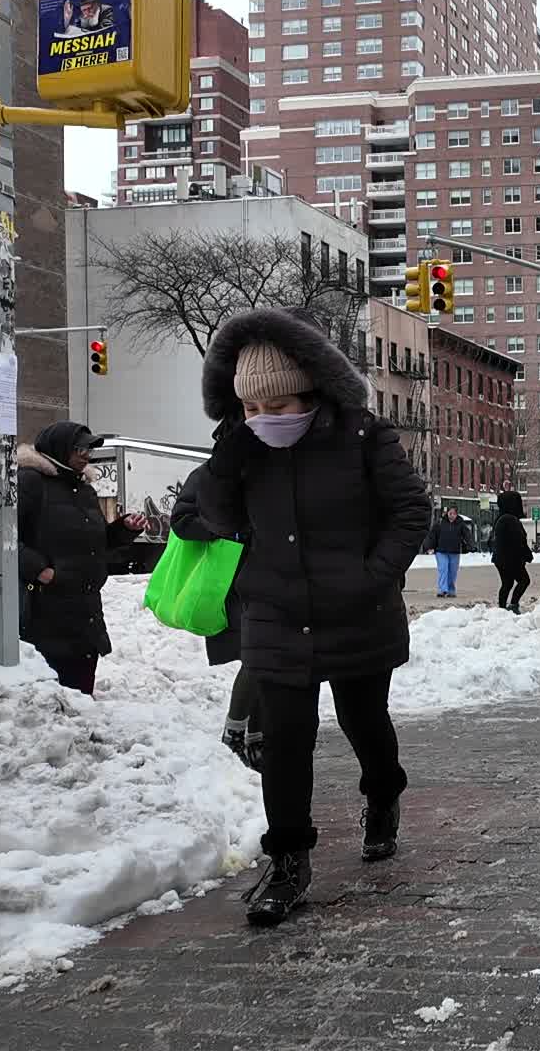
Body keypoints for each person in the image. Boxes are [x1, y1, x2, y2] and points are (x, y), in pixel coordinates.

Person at [195, 308, 433, 927]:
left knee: (364, 721)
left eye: (277, 406)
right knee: (285, 742)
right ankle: (289, 860)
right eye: (251, 408)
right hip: (275, 615)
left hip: (357, 612)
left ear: (312, 393)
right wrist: (230, 455)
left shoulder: (363, 436)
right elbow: (213, 519)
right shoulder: (238, 445)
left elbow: (410, 511)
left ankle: (383, 796)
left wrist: (372, 576)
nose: (263, 419)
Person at [17, 421, 147, 695]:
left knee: (82, 687)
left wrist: (124, 529)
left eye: (88, 449)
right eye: (79, 449)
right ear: (59, 448)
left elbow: (97, 543)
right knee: (51, 693)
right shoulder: (31, 481)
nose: (86, 455)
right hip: (46, 608)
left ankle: (80, 734)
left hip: (85, 608)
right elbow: (5, 539)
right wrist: (40, 571)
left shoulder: (85, 490)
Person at [170, 465, 263, 770]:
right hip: (231, 581)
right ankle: (236, 736)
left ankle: (255, 736)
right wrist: (227, 529)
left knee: (269, 658)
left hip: (274, 578)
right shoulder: (211, 472)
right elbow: (182, 521)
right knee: (256, 657)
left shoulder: (278, 466)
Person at [491, 490, 534, 613]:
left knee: (507, 583)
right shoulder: (510, 519)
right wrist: (527, 555)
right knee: (524, 580)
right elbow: (518, 540)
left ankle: (502, 608)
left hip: (501, 558)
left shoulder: (501, 518)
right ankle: (513, 605)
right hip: (511, 559)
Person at [427, 507, 473, 598]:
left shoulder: (461, 523)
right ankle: (442, 590)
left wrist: (470, 545)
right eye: (450, 513)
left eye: (454, 514)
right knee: (443, 570)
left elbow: (467, 535)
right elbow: (432, 535)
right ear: (447, 513)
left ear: (457, 514)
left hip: (454, 552)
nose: (452, 516)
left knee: (452, 572)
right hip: (441, 551)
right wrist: (429, 547)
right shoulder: (440, 523)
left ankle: (451, 590)